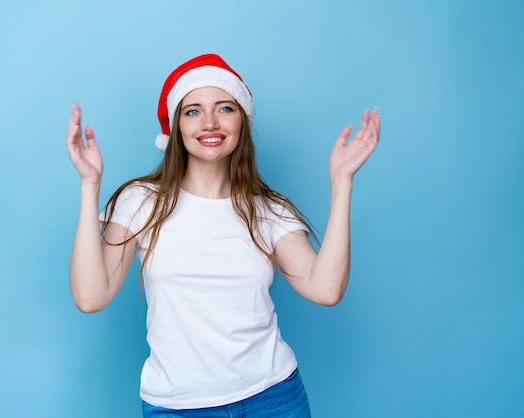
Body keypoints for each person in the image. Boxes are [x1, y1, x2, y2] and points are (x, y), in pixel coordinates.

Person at [66, 53, 380, 417]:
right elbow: (91, 297)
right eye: (193, 111)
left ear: (242, 122)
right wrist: (90, 186)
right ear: (176, 127)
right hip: (177, 407)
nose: (210, 123)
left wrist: (342, 183)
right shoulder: (141, 202)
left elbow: (326, 289)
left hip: (273, 398)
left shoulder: (269, 209)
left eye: (225, 108)